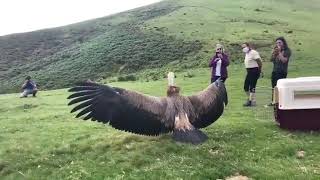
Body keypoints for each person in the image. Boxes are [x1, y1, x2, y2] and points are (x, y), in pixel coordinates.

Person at [268, 37, 291, 106]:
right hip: (275, 71)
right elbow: (271, 60)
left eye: (279, 42)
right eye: (277, 43)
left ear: (283, 43)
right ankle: (273, 101)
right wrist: (274, 53)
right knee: (273, 87)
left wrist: (279, 52)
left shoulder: (287, 51)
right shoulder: (276, 50)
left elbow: (284, 60)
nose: (278, 44)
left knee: (280, 87)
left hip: (282, 72)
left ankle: (280, 102)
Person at [242, 42, 263, 107]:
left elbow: (259, 61)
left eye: (244, 47)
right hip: (249, 71)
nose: (243, 48)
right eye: (242, 47)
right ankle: (250, 99)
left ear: (248, 46)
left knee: (252, 86)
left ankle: (251, 101)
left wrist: (259, 70)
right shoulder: (247, 54)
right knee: (246, 86)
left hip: (254, 70)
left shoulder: (253, 52)